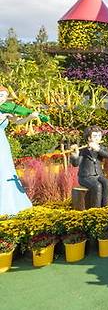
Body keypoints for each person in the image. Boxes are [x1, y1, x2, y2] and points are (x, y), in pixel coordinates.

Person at [0, 86, 45, 215]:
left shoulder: (6, 109)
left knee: (5, 169)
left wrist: (31, 117)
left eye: (3, 96)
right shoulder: (3, 113)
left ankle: (9, 204)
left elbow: (18, 122)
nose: (1, 98)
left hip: (2, 143)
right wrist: (3, 117)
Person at [70, 126, 108, 208]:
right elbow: (76, 164)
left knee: (107, 183)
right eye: (95, 136)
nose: (98, 138)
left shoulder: (101, 148)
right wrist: (75, 156)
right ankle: (95, 209)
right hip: (85, 177)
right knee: (97, 186)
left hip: (98, 175)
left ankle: (106, 207)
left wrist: (98, 149)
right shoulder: (83, 150)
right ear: (89, 138)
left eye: (99, 136)